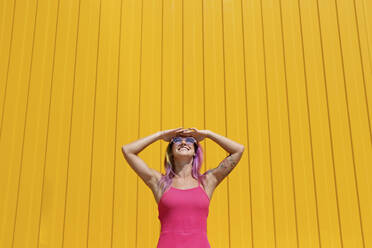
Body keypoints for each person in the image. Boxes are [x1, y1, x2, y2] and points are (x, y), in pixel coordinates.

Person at [122, 127, 245, 248]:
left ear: (195, 151)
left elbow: (238, 150)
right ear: (171, 150)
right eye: (177, 140)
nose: (183, 142)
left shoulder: (206, 182)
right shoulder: (160, 183)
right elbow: (127, 150)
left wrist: (208, 134)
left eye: (190, 140)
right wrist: (161, 135)